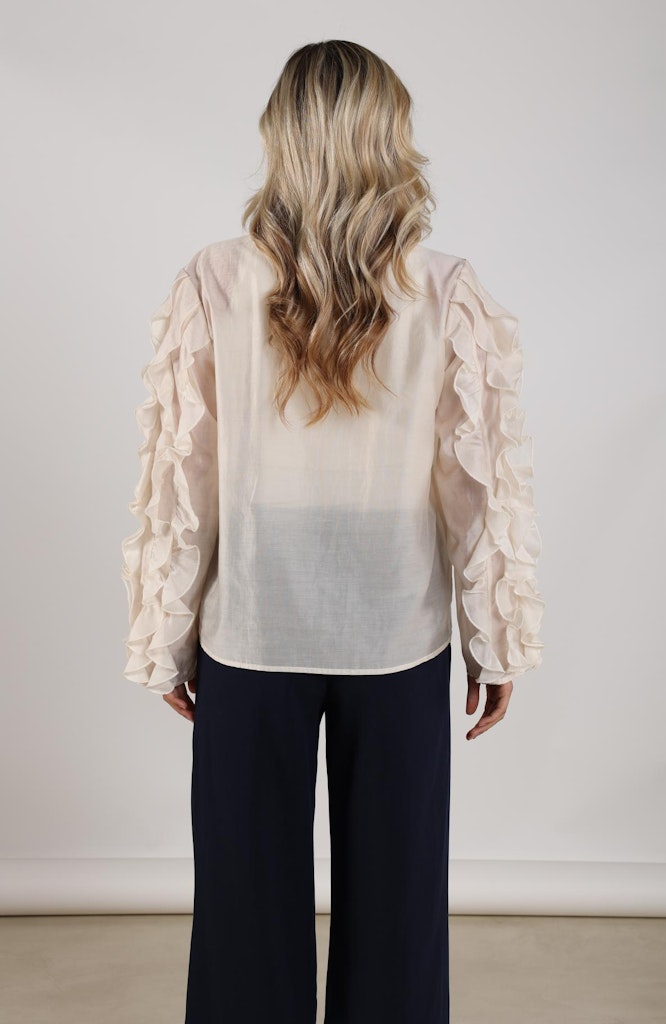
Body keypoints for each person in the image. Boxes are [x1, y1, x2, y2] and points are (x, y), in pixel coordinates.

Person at [120, 39, 545, 1024]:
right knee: (397, 914)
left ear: (282, 137)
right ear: (388, 140)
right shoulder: (443, 290)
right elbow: (475, 487)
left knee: (243, 914)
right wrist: (493, 639)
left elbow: (184, 475)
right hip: (395, 629)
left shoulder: (216, 281)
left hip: (252, 627)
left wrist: (166, 635)